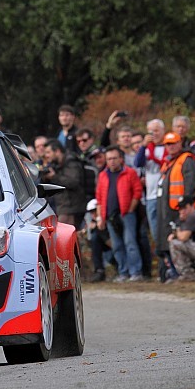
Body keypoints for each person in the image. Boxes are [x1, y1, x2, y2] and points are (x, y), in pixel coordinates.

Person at [155, 132, 195, 282]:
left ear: (180, 143)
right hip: (167, 211)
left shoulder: (186, 160)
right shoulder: (168, 162)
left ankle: (182, 273)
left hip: (180, 211)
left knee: (179, 241)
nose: (171, 146)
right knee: (166, 242)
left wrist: (185, 206)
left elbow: (190, 184)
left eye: (173, 143)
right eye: (168, 144)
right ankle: (171, 272)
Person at [95, 146, 143, 282]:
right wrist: (100, 217)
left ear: (121, 159)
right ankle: (123, 272)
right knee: (117, 245)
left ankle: (136, 272)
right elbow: (99, 198)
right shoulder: (103, 175)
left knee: (130, 243)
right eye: (109, 159)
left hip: (126, 214)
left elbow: (137, 192)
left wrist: (130, 209)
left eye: (115, 158)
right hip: (110, 216)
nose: (112, 161)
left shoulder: (130, 173)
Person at [134, 119, 166, 245]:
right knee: (155, 231)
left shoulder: (168, 147)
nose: (154, 134)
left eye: (157, 130)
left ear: (163, 131)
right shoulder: (146, 149)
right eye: (151, 131)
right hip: (151, 195)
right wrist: (143, 146)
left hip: (165, 195)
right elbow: (138, 163)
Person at [41, 139, 86, 228]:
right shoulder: (55, 164)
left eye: (48, 152)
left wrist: (54, 177)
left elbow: (73, 182)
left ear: (57, 151)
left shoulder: (71, 162)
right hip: (63, 207)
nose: (46, 156)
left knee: (65, 237)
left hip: (72, 208)